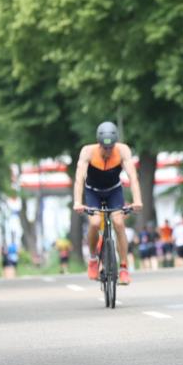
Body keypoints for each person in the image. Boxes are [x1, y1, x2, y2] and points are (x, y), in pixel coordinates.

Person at [73, 121, 144, 285]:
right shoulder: (88, 152)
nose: (108, 151)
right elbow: (79, 179)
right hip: (93, 192)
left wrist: (138, 200)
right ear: (99, 144)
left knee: (119, 222)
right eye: (104, 148)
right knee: (95, 222)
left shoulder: (122, 150)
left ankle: (124, 267)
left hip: (113, 190)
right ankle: (92, 259)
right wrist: (77, 201)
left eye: (110, 147)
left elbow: (132, 177)